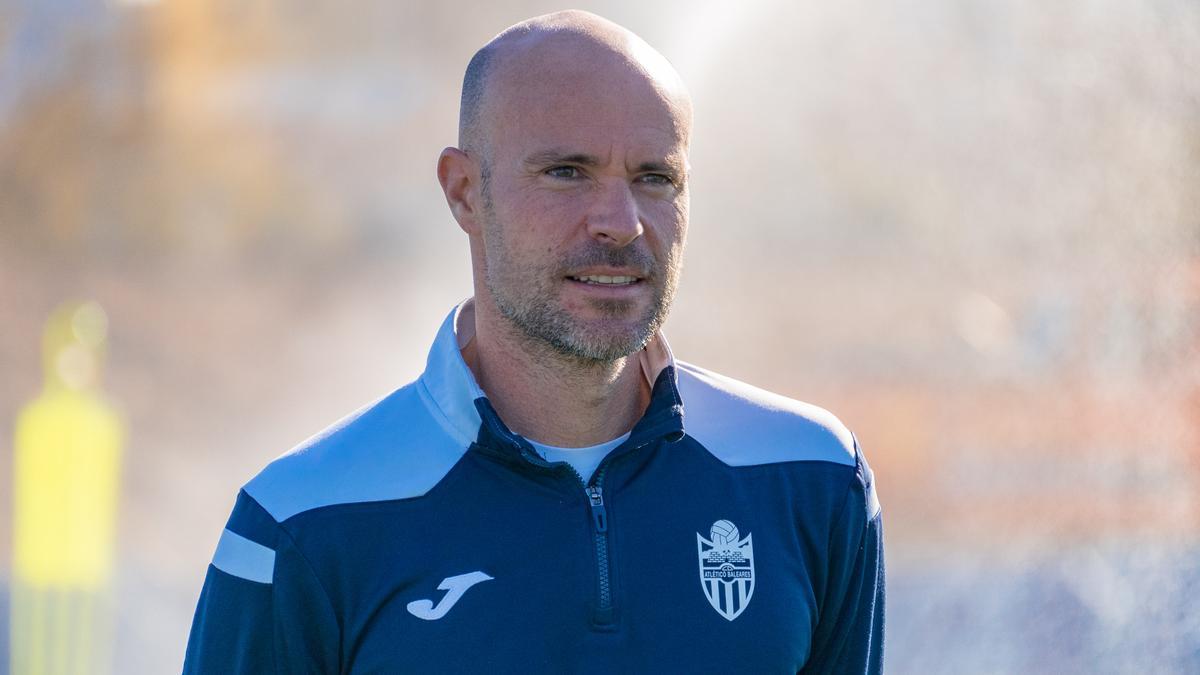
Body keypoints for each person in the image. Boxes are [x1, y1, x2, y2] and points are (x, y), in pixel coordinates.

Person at [183, 10, 884, 673]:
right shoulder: (303, 521)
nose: (620, 222)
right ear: (464, 192)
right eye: (566, 172)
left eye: (655, 178)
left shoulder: (813, 476)